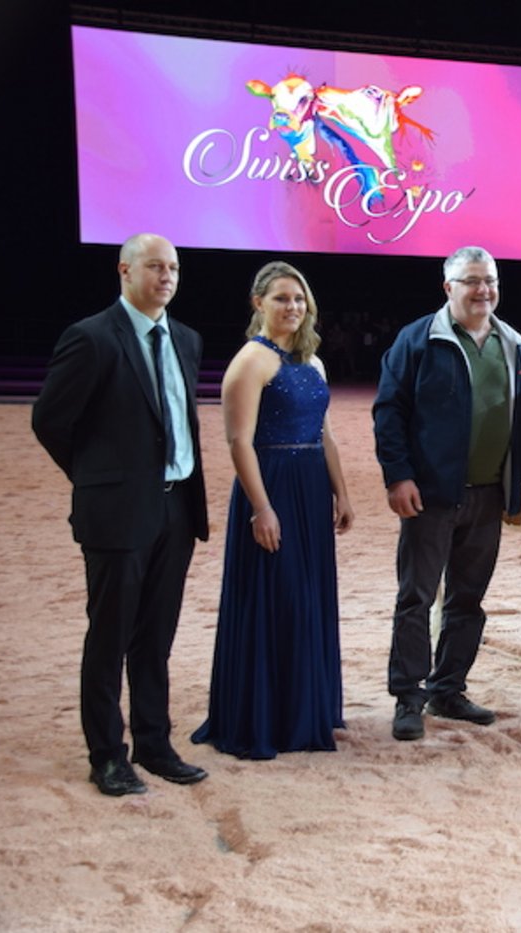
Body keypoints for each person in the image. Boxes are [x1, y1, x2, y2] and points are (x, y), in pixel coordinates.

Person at [32, 233, 210, 796]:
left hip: (177, 508)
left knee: (156, 637)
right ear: (124, 270)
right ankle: (107, 754)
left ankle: (154, 744)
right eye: (155, 266)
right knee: (109, 637)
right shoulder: (91, 338)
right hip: (117, 512)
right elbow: (50, 421)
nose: (167, 276)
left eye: (173, 268)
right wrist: (99, 480)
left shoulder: (186, 339)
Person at [373, 246, 521, 742]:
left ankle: (448, 689)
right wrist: (398, 476)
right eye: (472, 281)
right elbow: (389, 411)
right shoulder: (417, 341)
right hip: (430, 496)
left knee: (468, 599)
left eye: (490, 280)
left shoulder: (513, 346)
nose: (483, 290)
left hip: (488, 496)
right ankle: (409, 697)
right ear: (447, 287)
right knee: (416, 597)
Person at [191, 262, 355, 759]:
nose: (293, 307)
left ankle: (305, 712)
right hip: (272, 487)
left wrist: (342, 493)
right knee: (277, 599)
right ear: (258, 303)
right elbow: (238, 442)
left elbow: (325, 435)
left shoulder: (314, 362)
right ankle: (268, 719)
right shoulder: (251, 361)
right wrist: (261, 508)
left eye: (299, 299)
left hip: (310, 489)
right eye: (282, 298)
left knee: (307, 597)